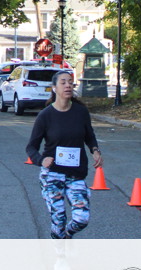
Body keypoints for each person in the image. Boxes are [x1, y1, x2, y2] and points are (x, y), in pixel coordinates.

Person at [25, 69, 102, 239]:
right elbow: (31, 147)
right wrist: (41, 160)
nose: (68, 85)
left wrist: (95, 150)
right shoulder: (45, 115)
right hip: (52, 174)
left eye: (70, 82)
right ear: (54, 88)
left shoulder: (81, 112)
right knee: (59, 219)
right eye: (63, 82)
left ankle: (65, 236)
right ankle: (60, 249)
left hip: (76, 174)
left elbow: (89, 136)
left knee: (82, 219)